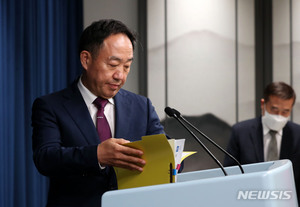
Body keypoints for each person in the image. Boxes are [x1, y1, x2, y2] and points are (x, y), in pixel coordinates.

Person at [31, 19, 166, 207]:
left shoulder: (141, 106)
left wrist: (171, 160)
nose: (120, 75)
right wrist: (97, 155)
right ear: (86, 59)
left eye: (126, 66)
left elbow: (165, 156)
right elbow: (46, 158)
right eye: (113, 65)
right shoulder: (50, 106)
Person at [224, 81, 300, 201]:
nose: (279, 116)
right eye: (274, 109)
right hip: (248, 200)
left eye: (285, 111)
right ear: (263, 104)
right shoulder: (240, 132)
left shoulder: (297, 134)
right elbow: (229, 173)